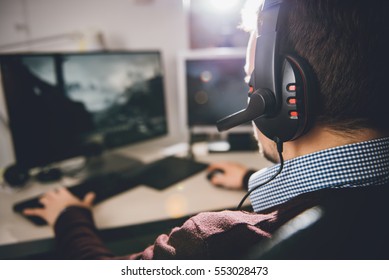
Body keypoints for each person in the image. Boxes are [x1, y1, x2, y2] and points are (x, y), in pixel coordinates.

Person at [24, 0, 389, 259]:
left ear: (276, 98)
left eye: (251, 83)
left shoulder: (217, 241)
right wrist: (248, 175)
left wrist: (69, 217)